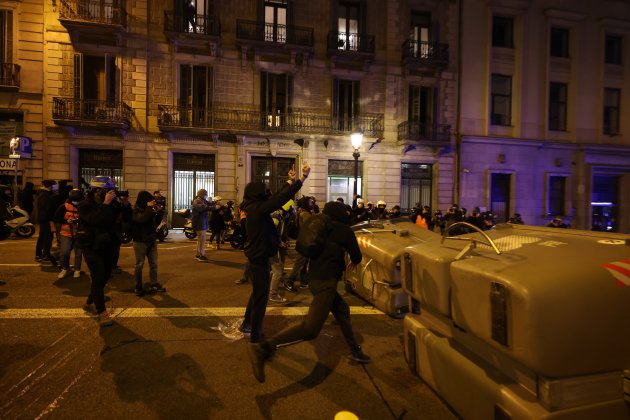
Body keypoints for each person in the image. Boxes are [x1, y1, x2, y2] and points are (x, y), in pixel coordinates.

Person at [247, 201, 370, 383]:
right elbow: (357, 257)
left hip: (313, 279)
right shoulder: (344, 231)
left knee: (342, 311)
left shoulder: (319, 227)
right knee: (311, 329)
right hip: (326, 283)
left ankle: (356, 350)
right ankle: (263, 348)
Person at [240, 163, 310, 343]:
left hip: (259, 255)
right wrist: (301, 180)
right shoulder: (256, 209)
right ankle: (256, 335)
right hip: (260, 257)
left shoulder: (254, 206)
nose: (267, 193)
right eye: (264, 191)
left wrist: (290, 180)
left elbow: (278, 197)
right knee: (261, 296)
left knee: (258, 292)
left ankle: (247, 323)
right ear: (258, 194)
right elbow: (279, 199)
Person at [77, 176, 118, 327]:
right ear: (96, 191)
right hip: (90, 246)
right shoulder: (84, 205)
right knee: (98, 275)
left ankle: (89, 301)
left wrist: (123, 205)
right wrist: (106, 204)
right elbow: (94, 220)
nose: (109, 194)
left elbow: (121, 220)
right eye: (106, 191)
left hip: (107, 245)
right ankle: (101, 312)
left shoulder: (110, 204)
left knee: (105, 276)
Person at [132, 191, 166, 296]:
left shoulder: (150, 209)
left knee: (154, 264)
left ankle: (153, 284)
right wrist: (148, 208)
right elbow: (142, 219)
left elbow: (156, 222)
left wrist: (159, 212)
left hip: (151, 240)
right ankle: (138, 287)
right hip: (140, 241)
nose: (151, 202)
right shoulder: (135, 210)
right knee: (139, 265)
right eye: (149, 200)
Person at [283, 195, 314, 292]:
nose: (312, 204)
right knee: (300, 263)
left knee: (303, 263)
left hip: (302, 241)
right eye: (310, 202)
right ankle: (289, 281)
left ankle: (304, 281)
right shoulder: (305, 214)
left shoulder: (300, 212)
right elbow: (310, 228)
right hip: (305, 242)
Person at [53, 188, 84, 279]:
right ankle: (65, 268)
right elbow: (56, 218)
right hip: (66, 234)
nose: (76, 202)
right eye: (75, 200)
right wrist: (67, 221)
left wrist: (80, 221)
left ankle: (77, 270)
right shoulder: (64, 206)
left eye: (78, 200)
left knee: (78, 253)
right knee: (64, 252)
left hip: (79, 234)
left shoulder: (83, 206)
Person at [34, 180, 57, 265]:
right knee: (46, 237)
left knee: (44, 237)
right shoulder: (45, 195)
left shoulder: (44, 194)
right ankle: (43, 255)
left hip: (44, 219)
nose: (55, 187)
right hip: (45, 220)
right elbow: (46, 209)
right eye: (54, 186)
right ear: (50, 186)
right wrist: (50, 220)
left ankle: (40, 254)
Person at [191, 189, 210, 261]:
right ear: (202, 195)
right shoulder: (197, 201)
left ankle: (198, 254)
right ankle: (201, 255)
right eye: (205, 194)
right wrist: (214, 207)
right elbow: (203, 208)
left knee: (200, 240)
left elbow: (209, 204)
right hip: (200, 224)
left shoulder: (202, 201)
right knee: (202, 240)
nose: (206, 196)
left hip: (201, 223)